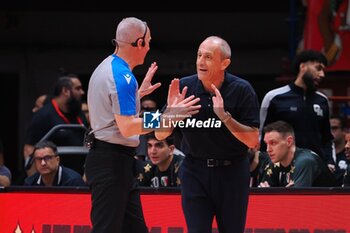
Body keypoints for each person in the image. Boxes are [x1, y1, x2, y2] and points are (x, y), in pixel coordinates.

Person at [84, 17, 200, 233]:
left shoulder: (108, 67)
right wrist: (166, 117)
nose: (148, 47)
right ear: (139, 43)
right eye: (147, 41)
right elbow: (127, 127)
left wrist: (137, 96)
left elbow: (112, 113)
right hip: (111, 161)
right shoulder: (122, 76)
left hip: (113, 160)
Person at [156, 36, 260, 233]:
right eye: (199, 55)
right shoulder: (184, 87)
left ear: (225, 63)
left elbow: (253, 139)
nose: (200, 62)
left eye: (209, 57)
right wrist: (171, 114)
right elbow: (159, 134)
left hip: (232, 172)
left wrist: (225, 117)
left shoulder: (242, 89)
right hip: (194, 170)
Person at [259, 49, 335, 171]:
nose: (322, 74)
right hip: (281, 168)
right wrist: (264, 167)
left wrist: (330, 162)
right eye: (318, 68)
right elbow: (261, 135)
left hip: (316, 168)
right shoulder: (274, 97)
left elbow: (327, 137)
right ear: (303, 66)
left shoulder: (323, 101)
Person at [23, 74, 88, 176]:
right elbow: (29, 149)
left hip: (79, 178)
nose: (82, 92)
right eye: (78, 88)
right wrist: (35, 183)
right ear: (65, 91)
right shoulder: (43, 116)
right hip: (53, 180)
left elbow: (88, 143)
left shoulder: (79, 114)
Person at [259, 120, 336, 187]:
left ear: (289, 141)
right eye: (266, 144)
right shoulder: (275, 162)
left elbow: (297, 202)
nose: (268, 149)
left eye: (273, 143)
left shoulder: (305, 161)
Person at [330, 115, 347, 186]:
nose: (330, 131)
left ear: (344, 131)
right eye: (328, 128)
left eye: (334, 128)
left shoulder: (348, 153)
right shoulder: (324, 154)